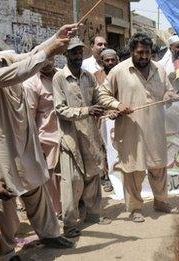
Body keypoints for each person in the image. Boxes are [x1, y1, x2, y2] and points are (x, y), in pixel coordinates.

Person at [0, 24, 78, 260]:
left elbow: (30, 55)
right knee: (5, 205)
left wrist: (55, 38)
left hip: (23, 143)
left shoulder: (4, 59)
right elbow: (24, 70)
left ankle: (48, 233)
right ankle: (6, 253)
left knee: (36, 189)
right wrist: (50, 51)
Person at [96, 33, 179, 223]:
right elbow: (102, 94)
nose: (144, 56)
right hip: (130, 130)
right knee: (133, 170)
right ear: (132, 51)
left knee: (158, 167)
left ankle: (161, 201)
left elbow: (169, 89)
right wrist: (117, 105)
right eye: (140, 52)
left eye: (148, 52)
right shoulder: (119, 71)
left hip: (155, 129)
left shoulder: (159, 69)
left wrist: (169, 94)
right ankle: (135, 208)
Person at [53, 37, 111, 238]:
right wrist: (87, 110)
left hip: (89, 133)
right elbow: (60, 109)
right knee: (73, 181)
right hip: (70, 136)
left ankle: (94, 214)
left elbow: (99, 98)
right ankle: (69, 223)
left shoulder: (88, 76)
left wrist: (114, 106)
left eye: (79, 52)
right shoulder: (59, 78)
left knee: (93, 175)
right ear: (65, 55)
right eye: (73, 52)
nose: (77, 56)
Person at [23, 59, 62, 214]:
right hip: (46, 137)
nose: (47, 63)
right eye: (43, 61)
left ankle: (69, 206)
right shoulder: (31, 83)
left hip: (66, 133)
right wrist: (34, 143)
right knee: (51, 176)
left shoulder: (60, 75)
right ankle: (56, 211)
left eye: (50, 59)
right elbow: (30, 116)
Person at [94, 48, 119, 193]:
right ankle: (108, 178)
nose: (110, 62)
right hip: (103, 119)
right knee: (105, 149)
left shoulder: (122, 73)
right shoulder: (95, 76)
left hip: (122, 116)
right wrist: (107, 111)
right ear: (102, 62)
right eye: (107, 60)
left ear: (117, 60)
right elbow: (95, 98)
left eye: (112, 60)